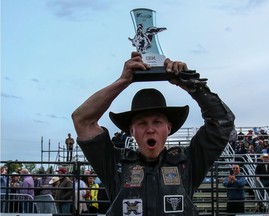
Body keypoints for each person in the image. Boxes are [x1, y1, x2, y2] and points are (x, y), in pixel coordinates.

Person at [72, 52, 235, 215]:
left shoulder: (189, 162)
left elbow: (222, 122)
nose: (150, 129)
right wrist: (123, 81)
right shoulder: (115, 164)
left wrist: (192, 84)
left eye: (157, 122)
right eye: (142, 123)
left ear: (169, 128)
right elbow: (82, 120)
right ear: (131, 131)